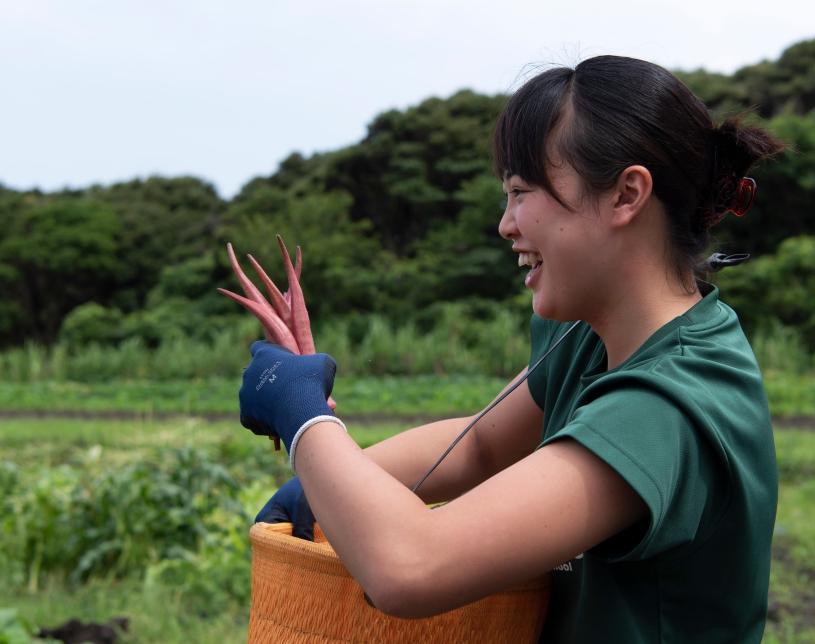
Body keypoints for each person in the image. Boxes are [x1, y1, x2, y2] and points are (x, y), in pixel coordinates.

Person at [241, 55, 784, 643]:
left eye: (522, 192)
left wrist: (303, 418)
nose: (505, 224)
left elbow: (412, 565)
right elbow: (480, 443)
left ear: (626, 194)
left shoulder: (672, 404)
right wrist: (323, 488)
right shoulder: (588, 335)